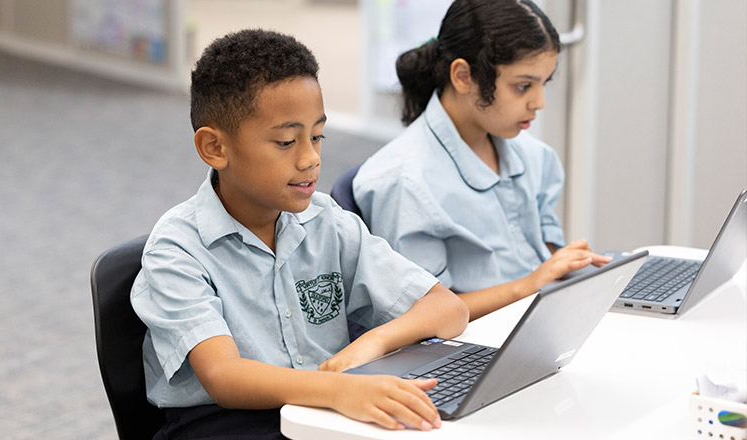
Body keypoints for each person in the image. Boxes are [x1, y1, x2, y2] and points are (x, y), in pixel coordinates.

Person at [130, 29, 469, 440]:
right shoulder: (177, 249)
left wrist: (371, 344)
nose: (311, 158)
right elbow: (225, 377)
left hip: (323, 406)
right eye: (287, 141)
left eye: (317, 136)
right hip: (222, 422)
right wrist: (339, 389)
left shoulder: (327, 221)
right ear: (215, 148)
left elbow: (448, 309)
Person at [353, 0, 611, 321]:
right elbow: (422, 313)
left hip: (538, 319)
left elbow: (545, 251)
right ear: (463, 76)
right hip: (465, 345)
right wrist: (527, 286)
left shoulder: (534, 156)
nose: (539, 102)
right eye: (522, 86)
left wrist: (572, 266)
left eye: (543, 84)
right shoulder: (404, 180)